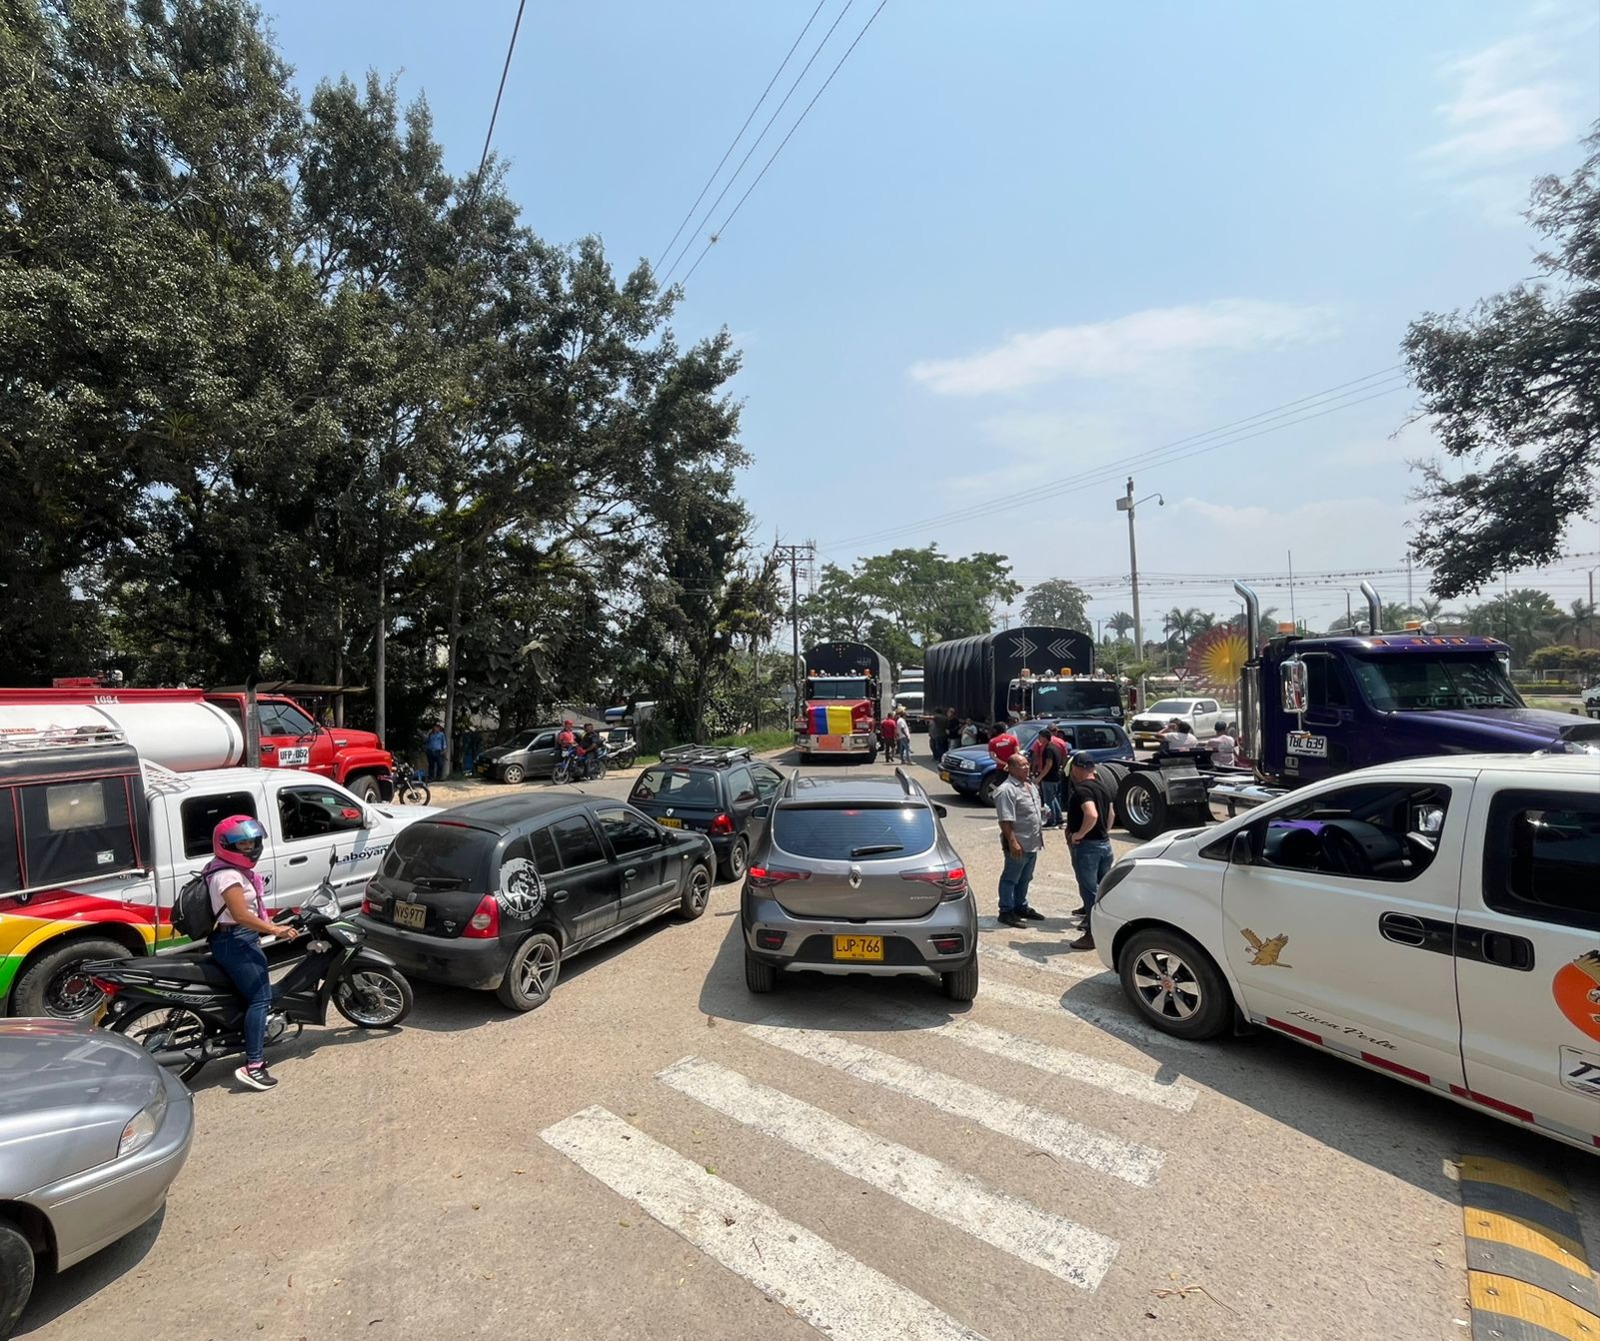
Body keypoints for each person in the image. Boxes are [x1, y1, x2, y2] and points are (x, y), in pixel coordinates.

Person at [204, 816, 299, 1091]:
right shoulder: (228, 876)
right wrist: (274, 930)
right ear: (226, 845)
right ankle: (254, 1065)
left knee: (248, 995)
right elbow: (241, 915)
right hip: (236, 940)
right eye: (243, 843)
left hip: (236, 938)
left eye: (253, 842)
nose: (251, 848)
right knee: (260, 998)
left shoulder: (225, 868)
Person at [1064, 753, 1116, 950]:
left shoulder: (1082, 790)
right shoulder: (1103, 787)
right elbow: (1111, 814)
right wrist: (1104, 831)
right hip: (1104, 843)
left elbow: (1091, 813)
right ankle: (1108, 930)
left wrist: (1079, 834)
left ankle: (1092, 935)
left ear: (1077, 768)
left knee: (1089, 891)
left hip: (1088, 847)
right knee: (1104, 890)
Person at [993, 753, 1046, 927]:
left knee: (1025, 877)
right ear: (1011, 768)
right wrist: (1012, 842)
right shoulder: (1006, 790)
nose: (1026, 767)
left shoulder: (1030, 785)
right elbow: (1005, 820)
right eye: (1021, 765)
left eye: (1027, 764)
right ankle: (1006, 910)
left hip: (1032, 842)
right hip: (1018, 843)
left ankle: (1020, 906)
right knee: (1011, 877)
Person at [1030, 724, 1067, 827]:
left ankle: (1051, 820)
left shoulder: (1048, 749)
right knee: (1053, 798)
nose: (1038, 740)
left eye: (1040, 737)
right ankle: (1059, 818)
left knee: (1048, 801)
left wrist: (1039, 777)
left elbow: (1048, 764)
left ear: (1045, 737)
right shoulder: (1054, 747)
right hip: (1055, 777)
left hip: (1049, 778)